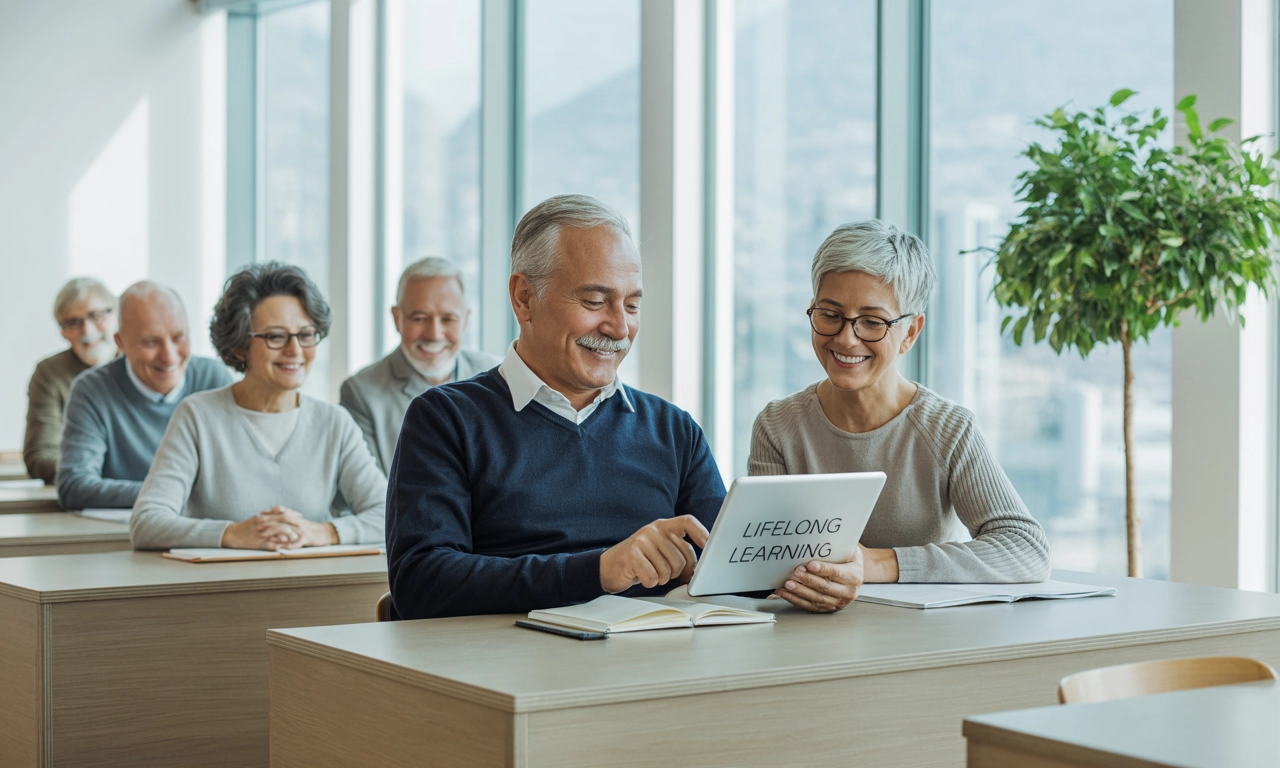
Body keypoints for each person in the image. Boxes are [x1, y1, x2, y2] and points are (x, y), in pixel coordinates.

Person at [386, 194, 726, 620]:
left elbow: (730, 569)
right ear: (524, 298)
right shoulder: (445, 420)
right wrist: (599, 571)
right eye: (594, 301)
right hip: (506, 671)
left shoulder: (675, 431)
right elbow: (420, 583)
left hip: (648, 669)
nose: (619, 327)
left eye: (632, 305)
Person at [749, 220, 1051, 613]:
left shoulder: (948, 429)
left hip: (921, 648)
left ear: (910, 333)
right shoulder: (778, 426)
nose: (846, 338)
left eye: (872, 322)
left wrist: (874, 563)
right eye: (830, 314)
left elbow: (1025, 548)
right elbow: (762, 563)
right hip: (807, 642)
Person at [130, 262, 386, 551]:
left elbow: (391, 516)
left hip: (313, 589)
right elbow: (146, 523)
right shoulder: (197, 417)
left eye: (305, 334)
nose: (295, 350)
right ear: (240, 345)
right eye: (276, 336)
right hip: (217, 589)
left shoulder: (334, 423)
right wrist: (232, 534)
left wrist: (322, 532)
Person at [56, 282, 231, 509]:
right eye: (151, 342)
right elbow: (74, 486)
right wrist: (170, 494)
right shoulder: (92, 390)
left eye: (179, 337)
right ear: (121, 343)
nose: (169, 357)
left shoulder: (213, 379)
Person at [340, 257, 500, 474]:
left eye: (448, 319)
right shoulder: (361, 393)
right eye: (419, 318)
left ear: (466, 320)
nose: (434, 334)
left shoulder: (498, 375)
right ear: (397, 319)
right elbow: (372, 496)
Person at [24, 278, 119, 483]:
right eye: (73, 323)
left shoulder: (144, 364)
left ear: (116, 313)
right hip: (79, 494)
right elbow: (40, 456)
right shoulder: (49, 373)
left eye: (96, 316)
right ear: (63, 332)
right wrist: (92, 470)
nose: (88, 330)